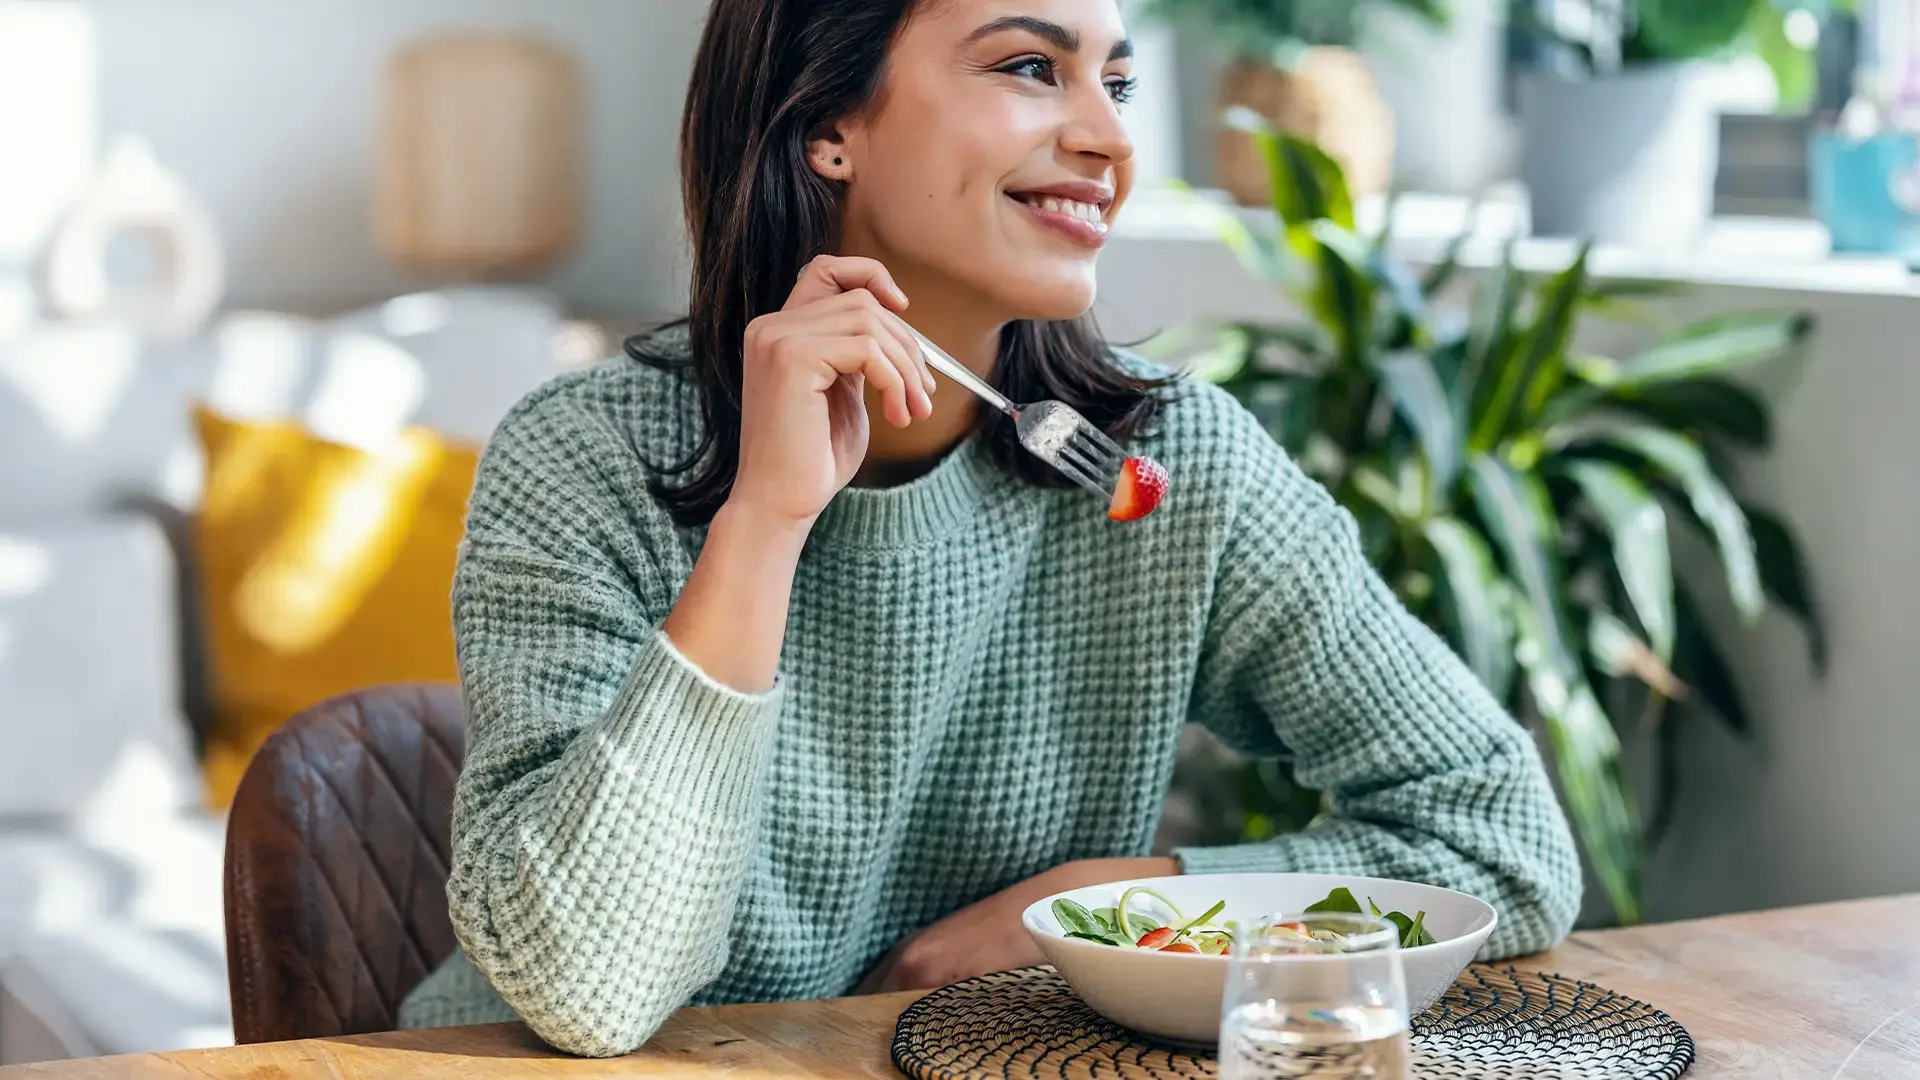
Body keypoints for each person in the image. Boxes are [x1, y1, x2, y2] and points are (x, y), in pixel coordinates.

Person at [396, 0, 1580, 1058]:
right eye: (1029, 67)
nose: (1111, 141)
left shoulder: (1169, 469)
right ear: (828, 125)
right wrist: (762, 521)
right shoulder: (582, 461)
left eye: (1115, 82)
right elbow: (586, 995)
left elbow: (1505, 844)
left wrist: (1081, 910)